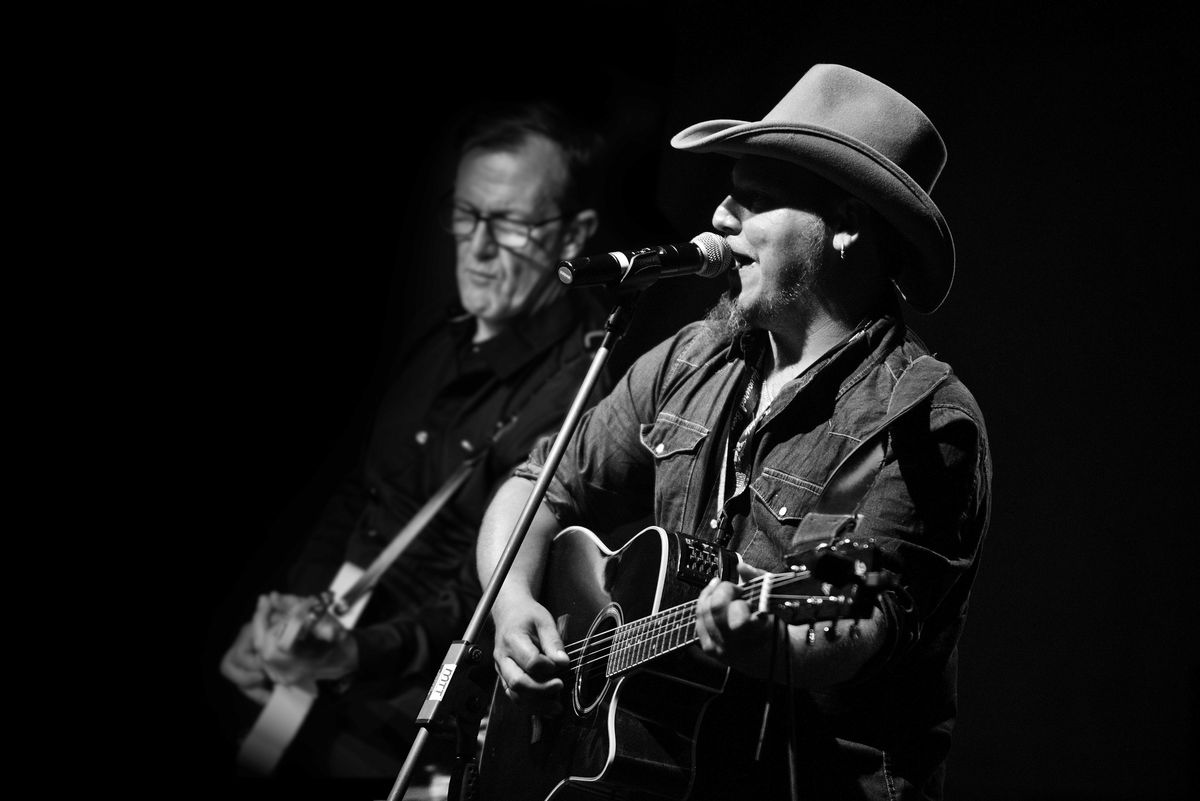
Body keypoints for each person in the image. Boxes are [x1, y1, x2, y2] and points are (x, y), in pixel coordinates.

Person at [475, 64, 992, 800]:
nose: (719, 216)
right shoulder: (695, 356)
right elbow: (540, 485)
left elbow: (867, 618)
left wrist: (769, 641)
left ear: (845, 224)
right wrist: (513, 603)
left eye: (753, 198)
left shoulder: (923, 419)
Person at [216, 97, 615, 789]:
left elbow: (484, 597)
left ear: (574, 235)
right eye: (466, 213)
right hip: (304, 680)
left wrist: (352, 656)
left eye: (510, 223)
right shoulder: (440, 331)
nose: (478, 246)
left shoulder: (582, 391)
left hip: (398, 726)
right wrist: (288, 617)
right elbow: (360, 494)